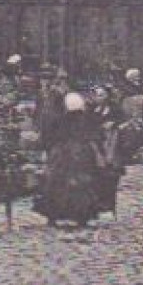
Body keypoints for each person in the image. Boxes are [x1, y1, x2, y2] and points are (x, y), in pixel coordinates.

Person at [36, 93, 105, 229]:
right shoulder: (87, 119)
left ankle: (56, 215)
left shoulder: (59, 119)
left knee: (58, 184)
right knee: (81, 185)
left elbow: (49, 137)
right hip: (80, 154)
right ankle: (81, 216)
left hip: (63, 154)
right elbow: (95, 136)